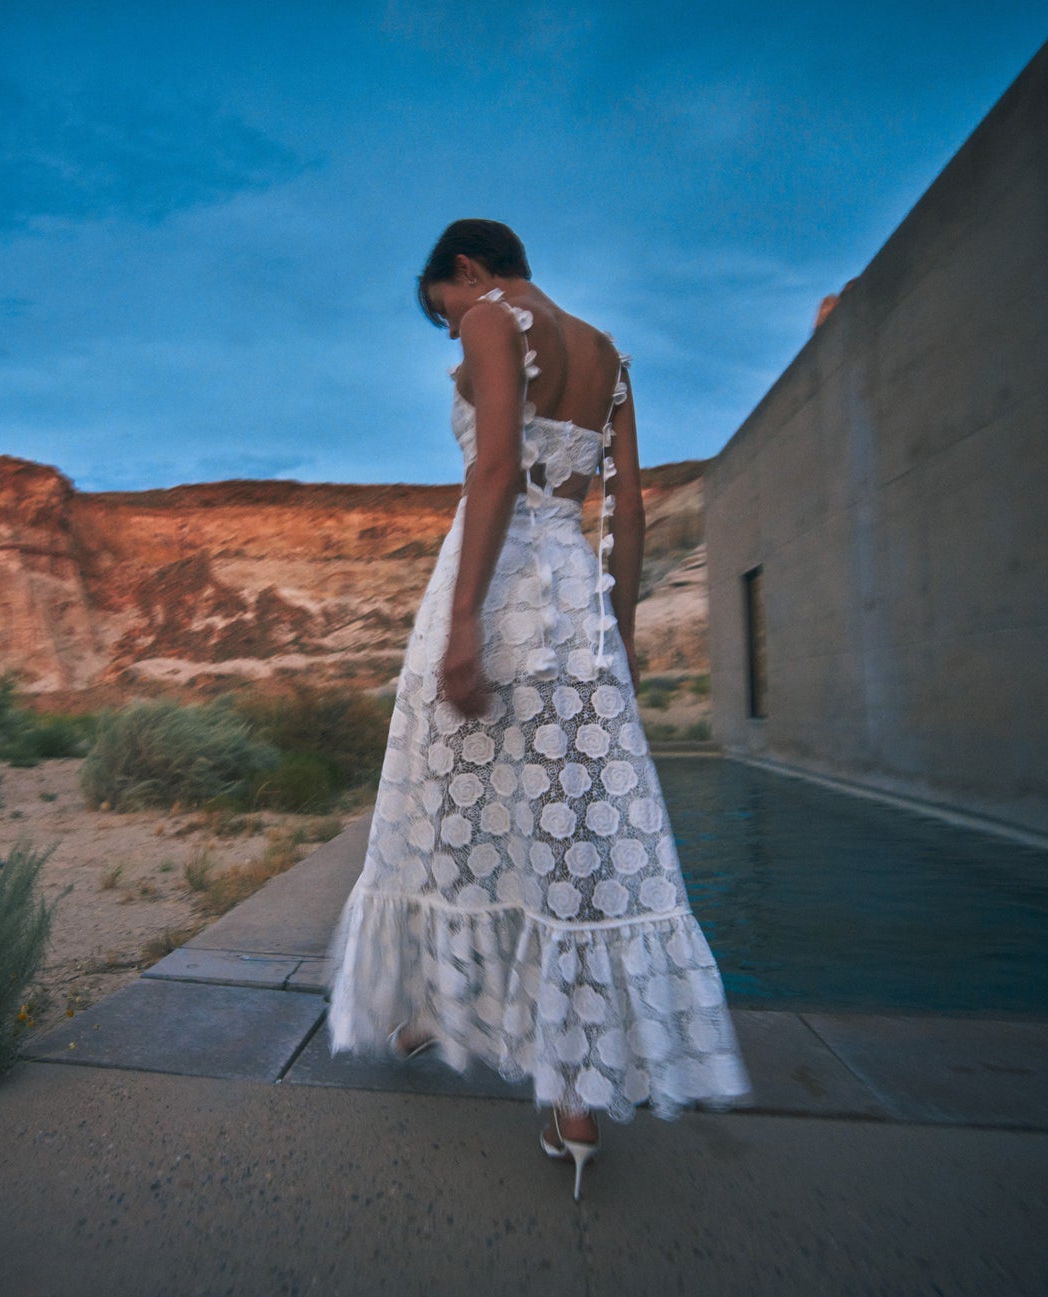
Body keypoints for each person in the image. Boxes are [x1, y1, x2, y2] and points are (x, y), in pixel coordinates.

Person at [324, 218, 753, 1200]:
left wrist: (466, 620)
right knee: (567, 833)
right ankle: (575, 1099)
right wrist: (624, 635)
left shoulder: (492, 317)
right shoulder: (606, 355)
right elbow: (627, 509)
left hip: (492, 582)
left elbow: (491, 473)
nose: (453, 327)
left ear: (466, 271)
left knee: (447, 804)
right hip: (573, 600)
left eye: (445, 307)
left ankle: (443, 1004)